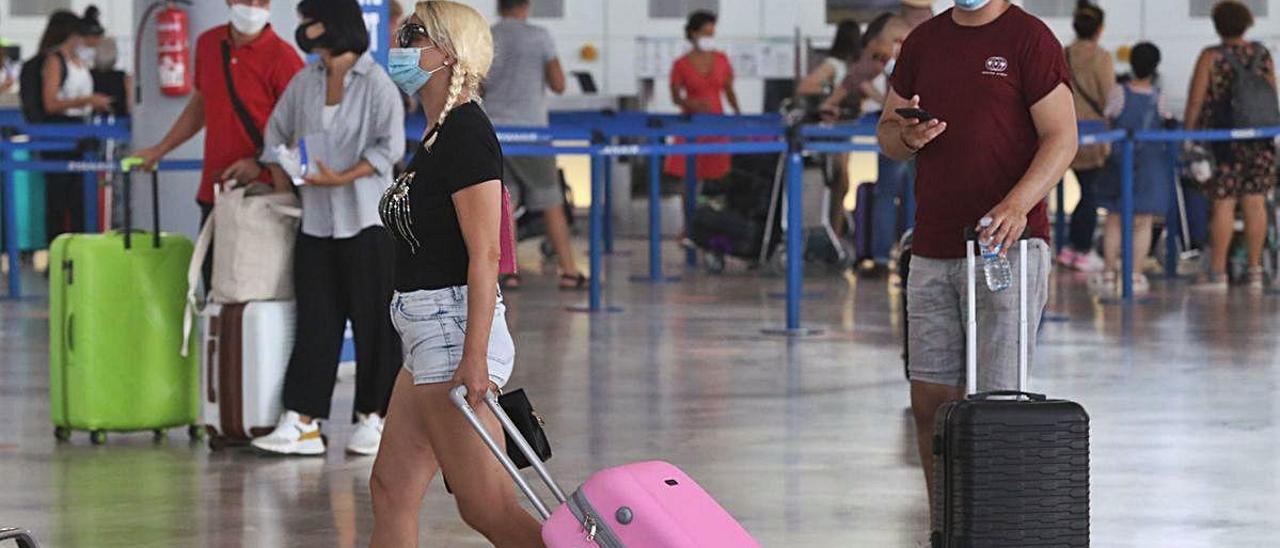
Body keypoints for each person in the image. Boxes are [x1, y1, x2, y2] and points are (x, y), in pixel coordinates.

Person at [877, 0, 1077, 513]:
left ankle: (994, 523)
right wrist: (906, 135)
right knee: (930, 400)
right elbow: (887, 135)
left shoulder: (1029, 39)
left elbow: (1062, 137)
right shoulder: (924, 42)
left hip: (1008, 246)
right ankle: (946, 520)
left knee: (996, 402)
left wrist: (1016, 205)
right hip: (934, 246)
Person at [369, 2, 538, 545]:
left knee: (487, 507)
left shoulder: (466, 132)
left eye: (413, 34)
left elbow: (484, 254)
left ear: (447, 53)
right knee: (391, 487)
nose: (400, 44)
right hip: (424, 334)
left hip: (452, 333)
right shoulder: (436, 136)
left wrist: (473, 357)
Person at [248, 0, 405, 457]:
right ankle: (302, 420)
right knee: (316, 321)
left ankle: (374, 417)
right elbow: (274, 134)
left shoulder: (376, 84)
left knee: (375, 323)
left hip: (366, 221)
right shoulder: (305, 80)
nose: (304, 30)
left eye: (310, 21)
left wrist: (342, 175)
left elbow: (388, 147)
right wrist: (290, 170)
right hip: (316, 222)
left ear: (332, 25)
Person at [132, 0, 305, 284]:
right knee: (214, 284)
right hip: (215, 192)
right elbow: (201, 105)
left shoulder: (283, 57)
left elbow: (299, 130)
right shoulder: (209, 44)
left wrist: (260, 163)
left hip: (263, 195)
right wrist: (160, 150)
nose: (252, 7)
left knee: (255, 289)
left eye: (261, 1)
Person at [485, 0, 587, 291]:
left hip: (493, 131)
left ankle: (508, 272)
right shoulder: (539, 36)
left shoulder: (487, 36)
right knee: (551, 202)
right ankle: (568, 271)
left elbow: (478, 84)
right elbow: (558, 83)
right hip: (531, 131)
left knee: (505, 202)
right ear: (526, 6)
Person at [1184, 0, 1277, 291]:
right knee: (1256, 201)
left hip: (1223, 140)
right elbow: (1272, 93)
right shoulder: (1262, 54)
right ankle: (1255, 270)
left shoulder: (1211, 57)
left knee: (1224, 203)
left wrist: (1188, 135)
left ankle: (1218, 273)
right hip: (1260, 140)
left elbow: (1197, 99)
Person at [1093, 42, 1171, 295]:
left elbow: (1108, 118)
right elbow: (1166, 121)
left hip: (1121, 162)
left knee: (1115, 220)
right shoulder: (1159, 96)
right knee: (1143, 221)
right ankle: (1136, 275)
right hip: (1150, 166)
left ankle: (1108, 274)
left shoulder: (1119, 91)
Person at [36, 10, 112, 243]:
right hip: (60, 133)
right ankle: (55, 253)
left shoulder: (81, 62)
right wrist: (87, 101)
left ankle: (80, 253)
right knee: (58, 199)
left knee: (79, 200)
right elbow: (50, 102)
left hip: (82, 131)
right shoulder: (55, 60)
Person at [1058, 0, 1111, 273]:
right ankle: (1081, 248)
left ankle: (1068, 247)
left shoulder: (1063, 53)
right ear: (1099, 29)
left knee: (1080, 191)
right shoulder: (1101, 57)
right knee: (1091, 193)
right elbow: (1108, 97)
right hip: (1092, 133)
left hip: (1065, 129)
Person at [798, 20, 861, 237]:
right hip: (836, 131)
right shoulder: (834, 65)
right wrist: (829, 99)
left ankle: (836, 230)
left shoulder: (851, 67)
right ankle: (834, 231)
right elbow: (806, 86)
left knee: (841, 184)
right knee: (840, 181)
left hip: (846, 129)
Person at [665, 10, 740, 185]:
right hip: (691, 122)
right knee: (688, 172)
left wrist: (738, 115)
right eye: (706, 33)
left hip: (716, 122)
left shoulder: (722, 59)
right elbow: (675, 97)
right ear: (693, 33)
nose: (709, 38)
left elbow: (729, 90)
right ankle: (690, 210)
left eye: (712, 34)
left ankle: (712, 209)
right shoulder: (680, 64)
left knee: (717, 173)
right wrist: (690, 103)